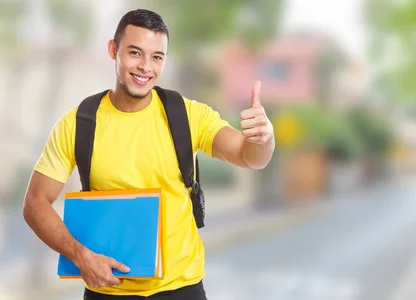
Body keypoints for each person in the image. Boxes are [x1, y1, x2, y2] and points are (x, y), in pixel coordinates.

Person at [22, 8, 275, 300]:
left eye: (157, 57)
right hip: (106, 289)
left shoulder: (187, 116)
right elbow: (35, 203)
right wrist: (80, 256)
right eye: (135, 53)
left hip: (182, 289)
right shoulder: (78, 124)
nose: (146, 67)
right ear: (113, 50)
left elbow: (250, 157)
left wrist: (263, 137)